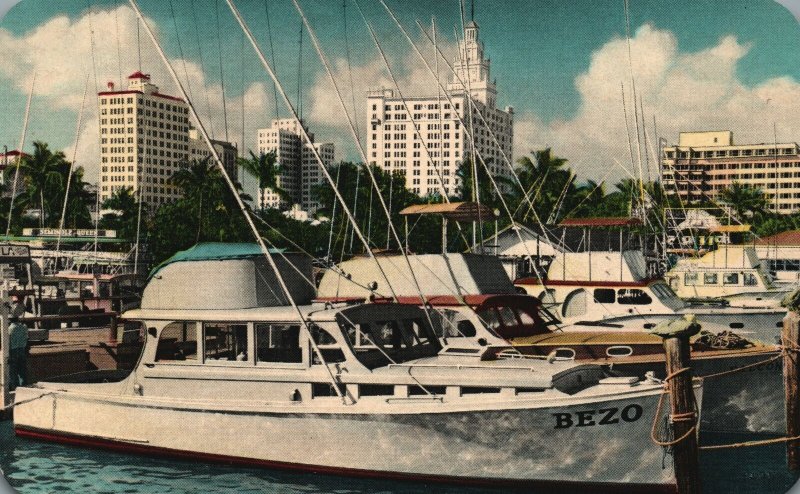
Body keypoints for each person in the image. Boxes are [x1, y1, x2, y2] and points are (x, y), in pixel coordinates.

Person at [7, 294, 28, 390]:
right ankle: (24, 387)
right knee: (22, 371)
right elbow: (26, 339)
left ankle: (14, 388)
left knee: (13, 371)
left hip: (12, 351)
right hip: (22, 350)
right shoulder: (24, 327)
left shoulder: (9, 329)